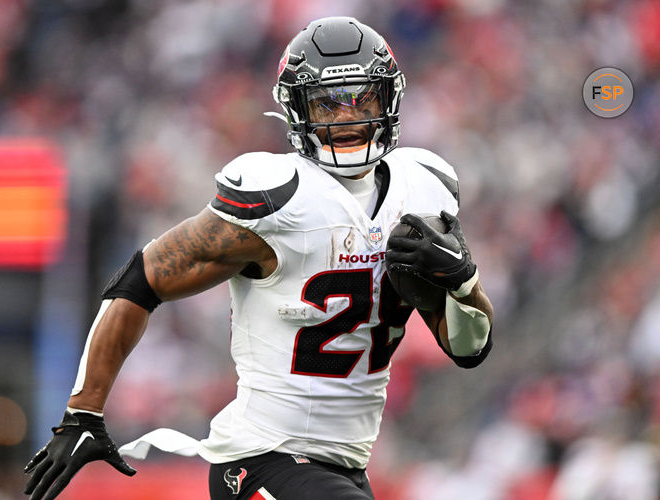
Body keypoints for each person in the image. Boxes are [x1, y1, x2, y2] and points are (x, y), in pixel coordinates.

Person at [24, 16, 494, 500]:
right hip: (259, 461)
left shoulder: (421, 190)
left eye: (362, 99)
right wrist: (83, 411)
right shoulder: (280, 200)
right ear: (296, 110)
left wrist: (463, 281)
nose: (347, 118)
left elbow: (469, 349)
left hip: (345, 468)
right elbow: (141, 278)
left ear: (389, 99)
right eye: (327, 105)